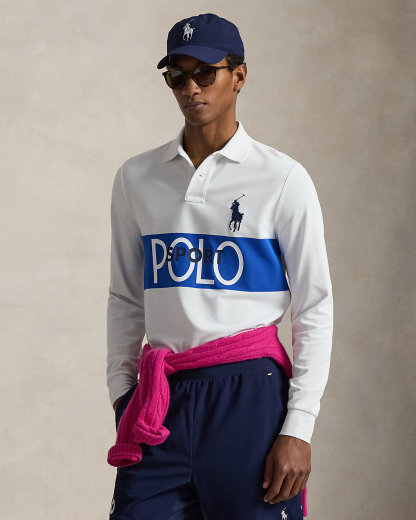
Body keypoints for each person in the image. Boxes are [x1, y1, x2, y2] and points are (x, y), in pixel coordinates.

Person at [106, 12, 333, 520]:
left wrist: (298, 427)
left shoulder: (282, 179)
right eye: (177, 75)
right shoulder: (136, 178)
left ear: (239, 76)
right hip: (162, 396)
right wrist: (123, 394)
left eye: (205, 73)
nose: (191, 88)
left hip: (248, 394)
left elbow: (314, 306)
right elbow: (125, 295)